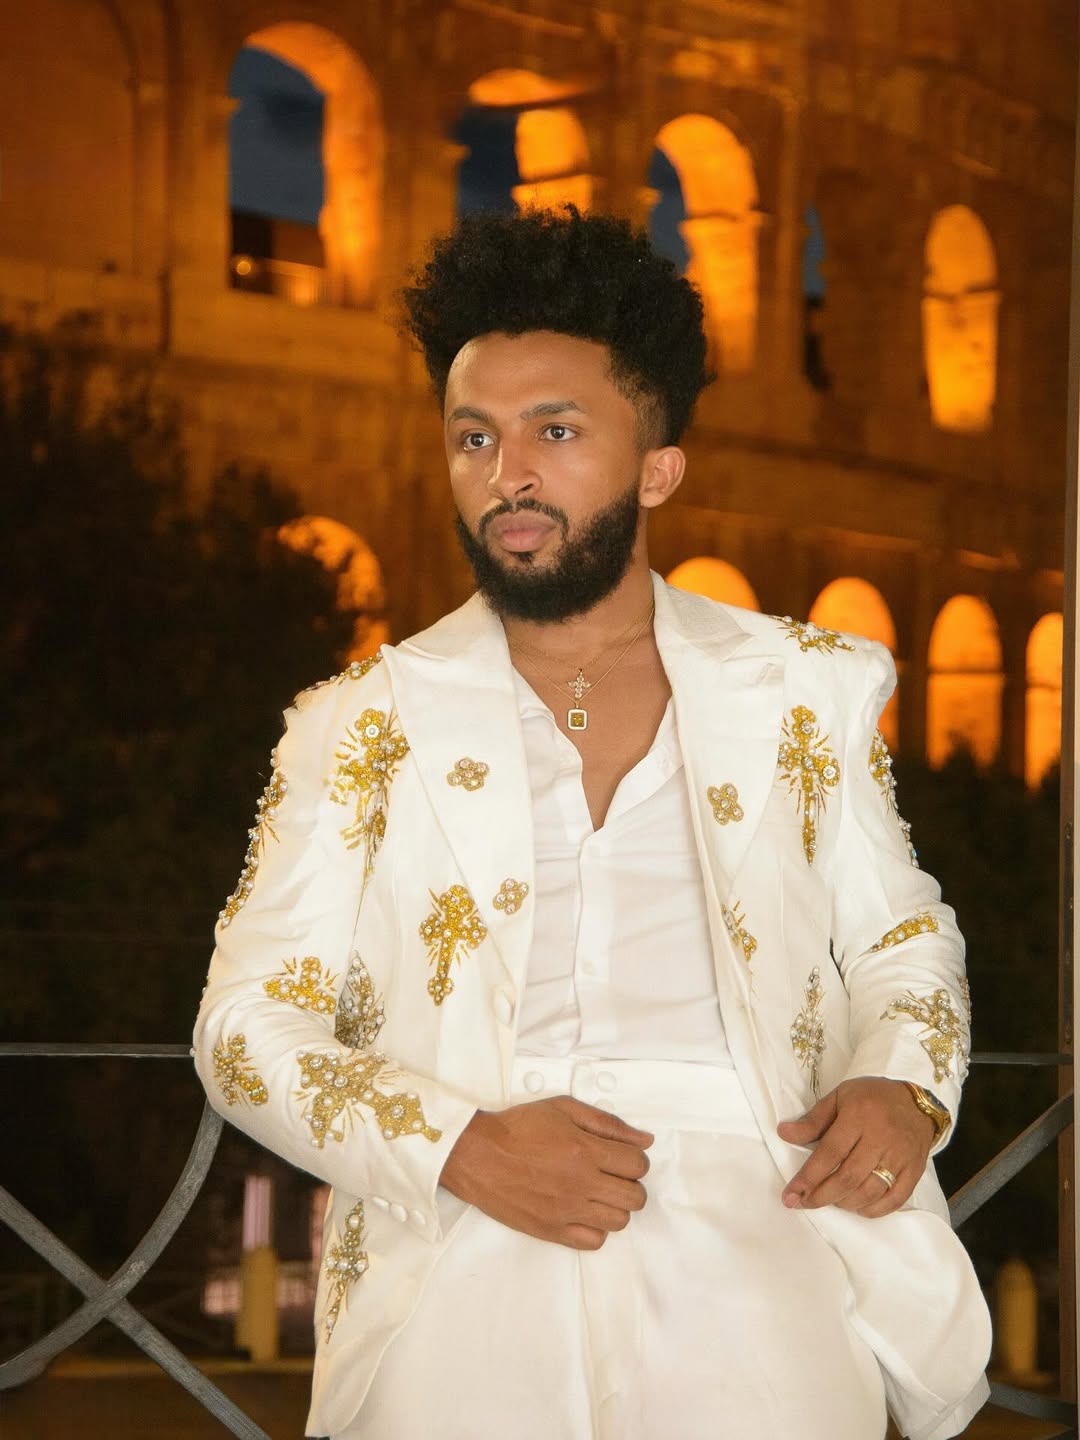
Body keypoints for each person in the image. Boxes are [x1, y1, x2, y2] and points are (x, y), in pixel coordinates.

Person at [193, 208, 991, 1440]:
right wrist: (456, 1146)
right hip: (465, 1252)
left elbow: (904, 943)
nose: (506, 473)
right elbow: (244, 1030)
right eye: (475, 437)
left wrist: (899, 1088)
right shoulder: (357, 721)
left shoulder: (806, 689)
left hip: (765, 1239)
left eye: (554, 432)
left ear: (656, 465)